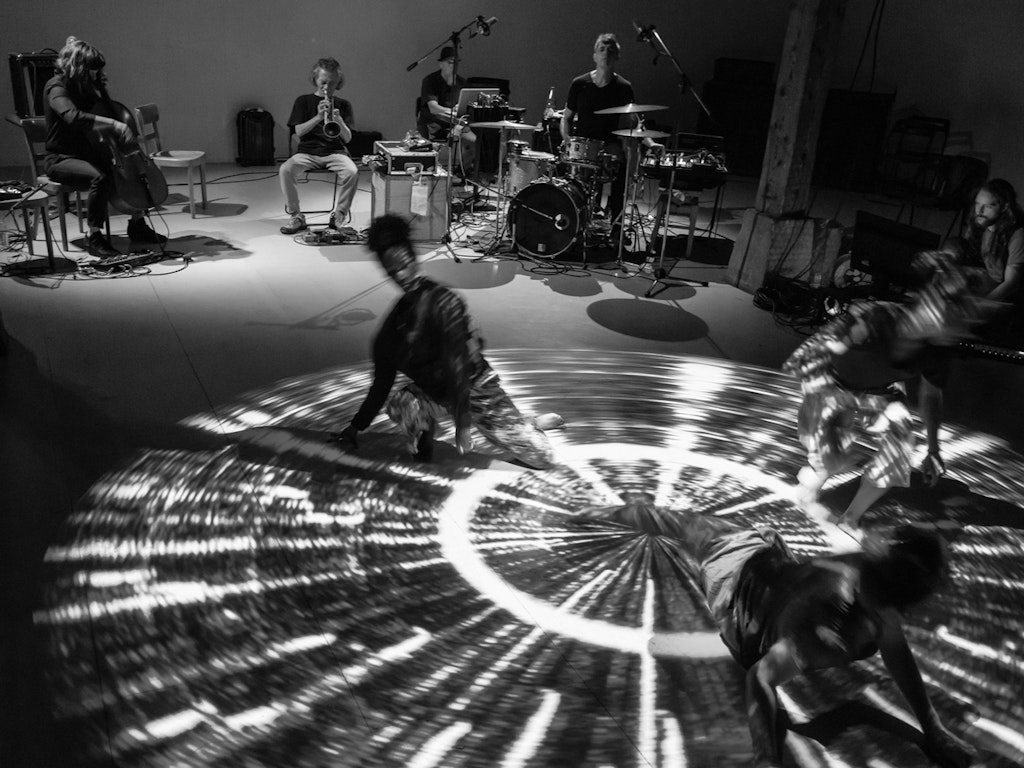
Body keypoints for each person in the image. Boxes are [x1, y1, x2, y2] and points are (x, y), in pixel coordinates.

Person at [637, 510, 977, 768]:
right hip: (735, 571)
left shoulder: (874, 583)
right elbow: (761, 677)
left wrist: (934, 730)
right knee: (679, 527)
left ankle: (607, 513)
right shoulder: (835, 619)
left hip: (762, 562)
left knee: (680, 523)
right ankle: (600, 513)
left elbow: (896, 652)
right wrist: (766, 757)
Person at [331, 214, 560, 467]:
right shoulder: (390, 331)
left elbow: (457, 368)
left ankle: (527, 425)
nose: (402, 275)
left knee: (542, 459)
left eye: (406, 264)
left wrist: (463, 425)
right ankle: (427, 434)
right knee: (401, 405)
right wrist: (355, 427)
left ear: (414, 261)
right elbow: (381, 385)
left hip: (475, 389)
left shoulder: (445, 303)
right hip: (439, 393)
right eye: (393, 271)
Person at [784, 252, 989, 531]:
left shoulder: (937, 352)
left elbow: (931, 395)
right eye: (961, 320)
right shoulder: (878, 319)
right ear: (934, 309)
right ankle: (817, 474)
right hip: (830, 383)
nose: (965, 331)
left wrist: (933, 449)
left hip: (878, 391)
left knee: (900, 446)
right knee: (831, 460)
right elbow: (820, 350)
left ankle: (852, 517)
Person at [43, 36, 168, 259]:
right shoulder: (56, 86)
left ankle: (137, 225)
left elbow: (105, 112)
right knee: (99, 177)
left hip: (88, 154)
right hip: (61, 159)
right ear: (78, 67)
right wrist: (114, 123)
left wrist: (100, 92)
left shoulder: (87, 88)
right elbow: (73, 116)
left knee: (132, 174)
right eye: (92, 70)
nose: (95, 75)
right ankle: (95, 236)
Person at [560, 33, 663, 229]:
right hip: (583, 146)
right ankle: (575, 225)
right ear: (594, 56)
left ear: (617, 58)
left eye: (611, 50)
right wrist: (567, 141)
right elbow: (566, 118)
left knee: (621, 178)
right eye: (602, 49)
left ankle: (616, 228)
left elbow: (636, 124)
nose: (606, 53)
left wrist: (651, 143)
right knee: (576, 186)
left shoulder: (624, 87)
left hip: (610, 147)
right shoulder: (579, 84)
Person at [279, 58, 358, 235]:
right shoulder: (303, 101)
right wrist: (317, 116)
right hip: (307, 152)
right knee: (286, 170)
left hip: (335, 152)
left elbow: (348, 138)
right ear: (315, 80)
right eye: (323, 82)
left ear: (338, 83)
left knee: (352, 172)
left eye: (332, 84)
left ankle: (339, 216)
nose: (326, 88)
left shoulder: (344, 104)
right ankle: (296, 216)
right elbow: (298, 132)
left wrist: (338, 120)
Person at [943, 178, 1024, 344]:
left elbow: (1011, 283)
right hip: (990, 285)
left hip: (1011, 300)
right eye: (977, 203)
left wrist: (980, 306)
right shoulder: (981, 226)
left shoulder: (1018, 234)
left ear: (1004, 207)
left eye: (988, 206)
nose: (979, 210)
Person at [417, 46, 477, 179]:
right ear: (441, 64)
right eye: (450, 62)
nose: (453, 66)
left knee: (473, 140)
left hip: (455, 123)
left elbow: (466, 109)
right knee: (427, 147)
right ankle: (431, 174)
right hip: (432, 123)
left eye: (456, 63)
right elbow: (433, 107)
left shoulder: (462, 83)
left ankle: (463, 172)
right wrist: (452, 110)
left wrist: (459, 122)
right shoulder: (430, 81)